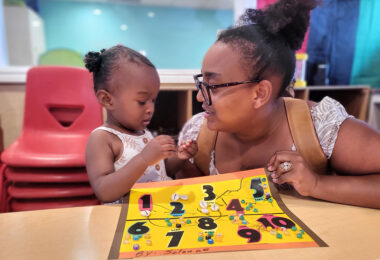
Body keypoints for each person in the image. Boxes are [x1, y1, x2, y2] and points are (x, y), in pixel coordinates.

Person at [177, 0, 380, 209]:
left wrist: (317, 184)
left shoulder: (320, 127)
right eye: (202, 83)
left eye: (214, 86)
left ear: (260, 93)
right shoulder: (197, 134)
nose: (200, 98)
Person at [84, 45, 197, 203]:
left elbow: (163, 171)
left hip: (159, 211)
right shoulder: (102, 139)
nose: (151, 109)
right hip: (126, 220)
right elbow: (104, 191)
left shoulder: (144, 133)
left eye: (153, 100)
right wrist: (144, 158)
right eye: (142, 101)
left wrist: (180, 157)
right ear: (107, 100)